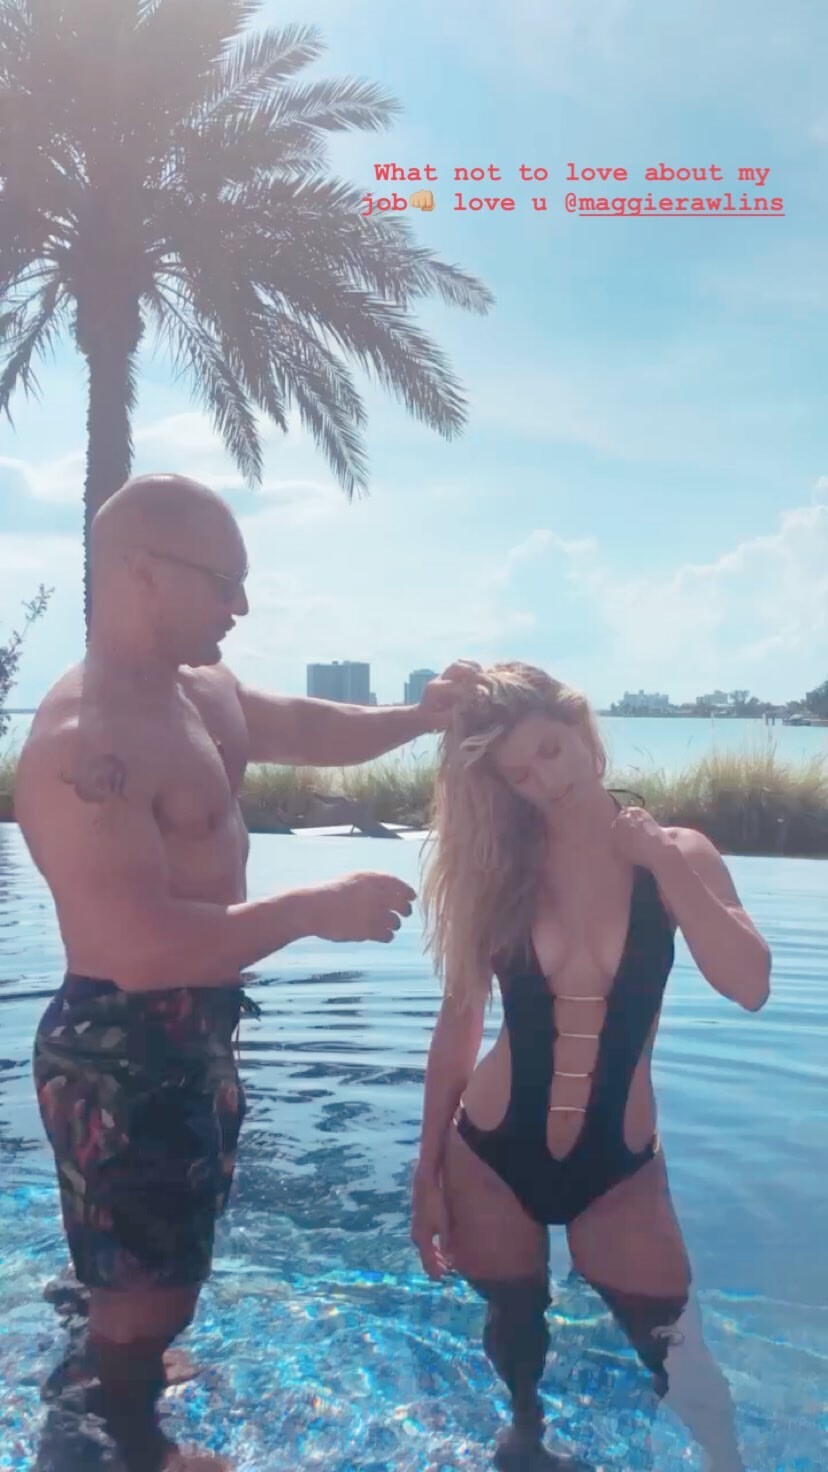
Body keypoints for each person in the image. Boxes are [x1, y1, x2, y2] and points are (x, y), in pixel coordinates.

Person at [14, 472, 480, 1472]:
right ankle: (127, 1438)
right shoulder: (86, 743)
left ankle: (123, 1349)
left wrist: (422, 717)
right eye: (223, 582)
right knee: (147, 1288)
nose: (242, 605)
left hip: (195, 1029)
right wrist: (311, 910)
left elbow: (308, 726)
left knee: (159, 1263)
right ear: (143, 572)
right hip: (123, 1046)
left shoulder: (199, 690)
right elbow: (137, 946)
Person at [411, 662, 771, 1472]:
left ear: (582, 730)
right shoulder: (502, 866)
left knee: (675, 1347)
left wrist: (663, 861)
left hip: (620, 1169)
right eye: (519, 773)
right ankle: (526, 1440)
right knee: (513, 1324)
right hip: (491, 1156)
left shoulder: (678, 853)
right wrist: (425, 1169)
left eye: (550, 750)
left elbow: (750, 985)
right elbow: (460, 1023)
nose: (545, 780)